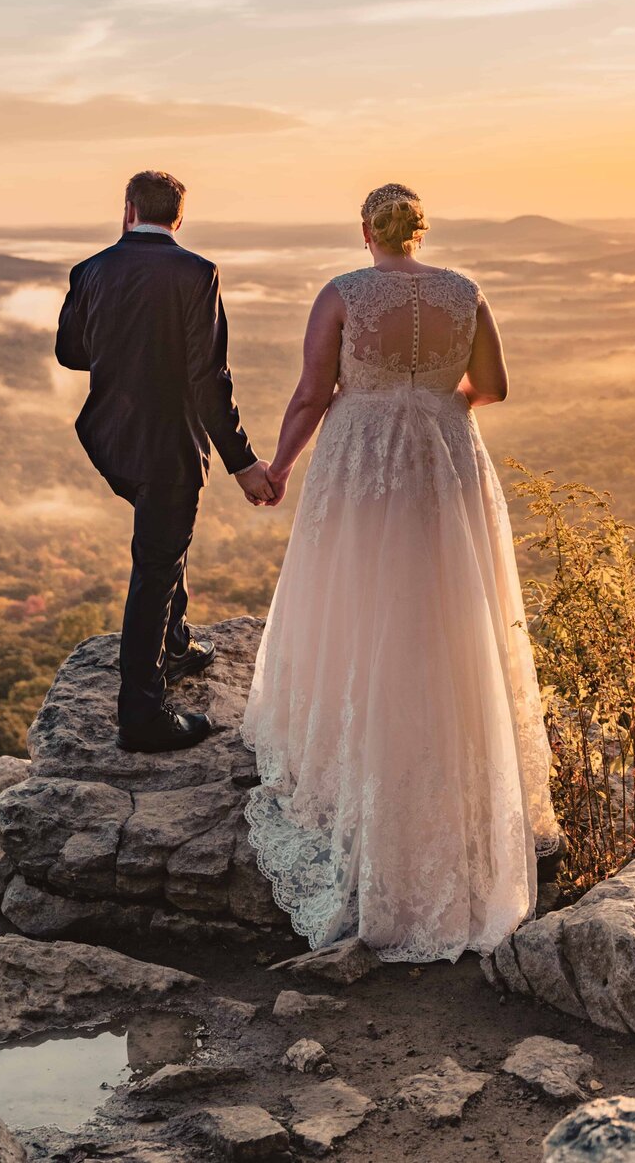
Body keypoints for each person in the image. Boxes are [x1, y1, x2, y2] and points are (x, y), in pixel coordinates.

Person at [242, 183, 560, 962]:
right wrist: (436, 401)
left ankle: (364, 761)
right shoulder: (464, 292)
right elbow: (494, 388)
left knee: (360, 597)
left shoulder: (343, 294)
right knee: (447, 608)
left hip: (363, 455)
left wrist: (278, 465)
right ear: (422, 231)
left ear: (365, 232)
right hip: (447, 457)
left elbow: (314, 393)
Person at [56, 169, 275, 753]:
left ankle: (175, 642)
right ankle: (143, 717)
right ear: (179, 216)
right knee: (156, 563)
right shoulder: (196, 272)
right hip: (168, 442)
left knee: (163, 538)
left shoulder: (91, 269)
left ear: (128, 209)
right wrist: (243, 462)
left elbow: (71, 353)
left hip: (111, 437)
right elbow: (209, 378)